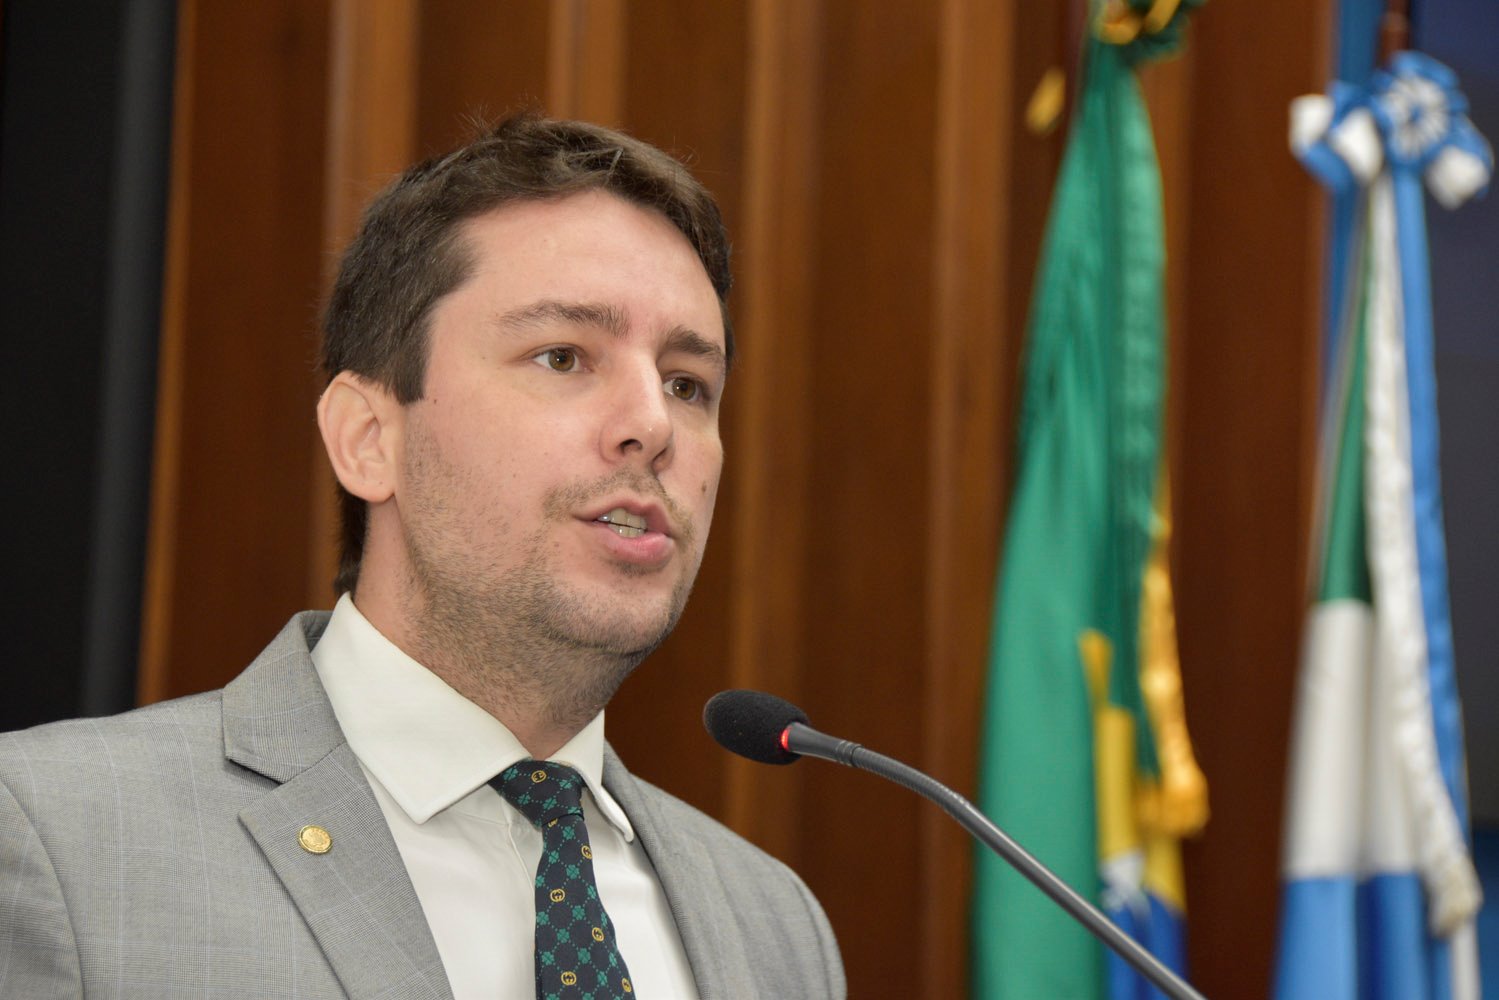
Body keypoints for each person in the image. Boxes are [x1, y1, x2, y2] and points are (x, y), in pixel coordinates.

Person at [0, 113, 845, 999]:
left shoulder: (775, 926)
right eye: (562, 357)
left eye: (686, 384)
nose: (652, 423)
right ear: (368, 439)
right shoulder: (55, 840)